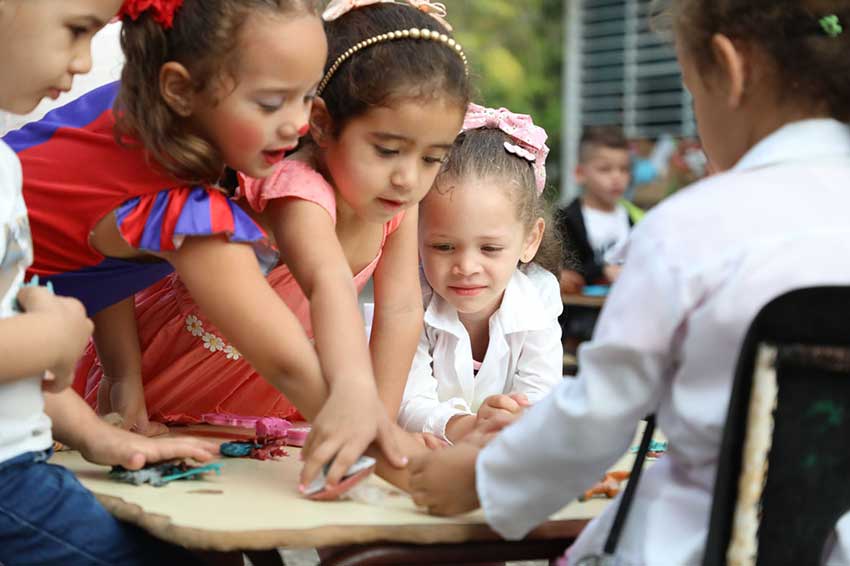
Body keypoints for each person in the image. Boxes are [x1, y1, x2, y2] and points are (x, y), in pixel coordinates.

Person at [408, 2, 850, 564]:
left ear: (729, 68)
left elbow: (598, 418)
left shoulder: (691, 230)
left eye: (691, 88)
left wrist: (476, 478)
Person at [4, 0, 404, 488]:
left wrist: (122, 377)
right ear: (179, 88)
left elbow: (86, 245)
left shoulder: (138, 116)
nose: (299, 125)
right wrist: (384, 450)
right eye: (270, 102)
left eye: (306, 98)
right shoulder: (183, 214)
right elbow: (284, 358)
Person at [72, 0, 471, 435]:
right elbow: (328, 282)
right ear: (320, 123)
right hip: (169, 384)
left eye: (433, 157)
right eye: (387, 150)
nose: (407, 178)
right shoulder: (291, 184)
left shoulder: (399, 201)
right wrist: (122, 378)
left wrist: (381, 424)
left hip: (271, 401)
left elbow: (401, 308)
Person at [0, 1, 217, 563]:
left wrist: (100, 437)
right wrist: (54, 336)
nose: (82, 62)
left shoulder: (6, 169)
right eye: (77, 31)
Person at [397, 104, 563, 444]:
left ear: (529, 240)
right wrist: (465, 426)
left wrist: (519, 419)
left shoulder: (540, 295)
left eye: (489, 248)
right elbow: (404, 400)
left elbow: (542, 396)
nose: (466, 267)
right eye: (443, 247)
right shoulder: (405, 297)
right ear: (415, 235)